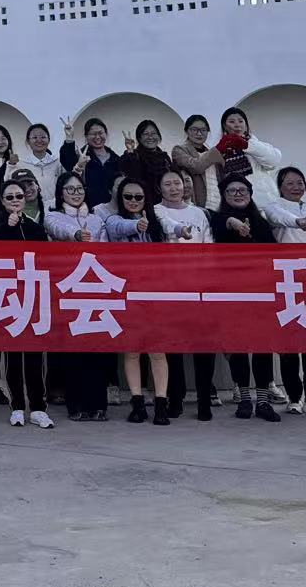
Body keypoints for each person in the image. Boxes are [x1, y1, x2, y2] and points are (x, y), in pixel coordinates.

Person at [208, 177, 283, 423]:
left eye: (242, 190)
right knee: (238, 348)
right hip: (232, 294)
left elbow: (274, 254)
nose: (238, 194)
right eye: (231, 191)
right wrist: (234, 223)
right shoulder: (217, 220)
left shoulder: (261, 222)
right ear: (224, 195)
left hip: (260, 293)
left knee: (263, 348)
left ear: (250, 193)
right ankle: (244, 400)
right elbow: (221, 224)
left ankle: (262, 401)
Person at [0, 180, 53, 429]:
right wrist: (7, 227)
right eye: (10, 197)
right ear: (2, 201)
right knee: (12, 357)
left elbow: (46, 260)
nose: (15, 200)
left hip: (32, 296)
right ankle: (17, 407)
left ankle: (38, 408)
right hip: (7, 296)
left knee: (34, 356)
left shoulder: (35, 228)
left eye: (19, 196)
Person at [45, 172, 114, 420]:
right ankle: (76, 405)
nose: (75, 193)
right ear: (60, 193)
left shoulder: (96, 219)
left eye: (79, 189)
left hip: (94, 288)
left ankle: (98, 404)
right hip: (68, 288)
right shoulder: (53, 215)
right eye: (70, 189)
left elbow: (105, 249)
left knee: (97, 348)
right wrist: (76, 235)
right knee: (72, 350)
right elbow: (58, 229)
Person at [103, 179, 169, 425]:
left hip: (153, 295)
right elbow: (118, 228)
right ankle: (137, 402)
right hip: (126, 294)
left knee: (157, 352)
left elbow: (172, 231)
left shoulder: (157, 224)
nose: (133, 201)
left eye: (138, 197)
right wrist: (136, 225)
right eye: (128, 196)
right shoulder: (113, 220)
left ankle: (161, 403)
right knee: (131, 352)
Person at [156, 168, 217, 421]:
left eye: (177, 183)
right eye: (167, 184)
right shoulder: (157, 210)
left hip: (199, 285)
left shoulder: (199, 213)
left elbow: (209, 245)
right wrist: (180, 230)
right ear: (160, 189)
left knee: (204, 345)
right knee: (173, 346)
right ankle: (176, 398)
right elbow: (166, 226)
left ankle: (204, 400)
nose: (173, 188)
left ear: (185, 186)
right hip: (170, 286)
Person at [268, 167, 306, 418]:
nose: (296, 187)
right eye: (290, 183)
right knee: (289, 344)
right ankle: (294, 397)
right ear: (280, 187)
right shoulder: (273, 208)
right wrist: (297, 222)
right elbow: (280, 218)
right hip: (287, 283)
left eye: (300, 182)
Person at [211, 107, 281, 210]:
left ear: (246, 125)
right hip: (235, 204)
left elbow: (274, 160)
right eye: (232, 122)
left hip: (264, 203)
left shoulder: (255, 143)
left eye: (240, 121)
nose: (237, 125)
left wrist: (247, 145)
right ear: (224, 126)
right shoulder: (220, 148)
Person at [59, 117, 121, 208]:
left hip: (112, 209)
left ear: (106, 134)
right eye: (93, 134)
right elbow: (68, 163)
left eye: (100, 133)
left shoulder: (115, 158)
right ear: (86, 136)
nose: (97, 137)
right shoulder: (81, 156)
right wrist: (69, 138)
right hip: (87, 209)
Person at [170, 114, 221, 209]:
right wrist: (217, 150)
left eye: (203, 130)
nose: (199, 134)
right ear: (186, 131)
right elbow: (196, 167)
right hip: (196, 205)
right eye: (194, 130)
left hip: (217, 204)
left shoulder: (210, 152)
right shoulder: (179, 150)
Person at [123, 120, 173, 198]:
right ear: (139, 138)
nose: (150, 137)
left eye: (153, 133)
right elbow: (131, 175)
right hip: (144, 201)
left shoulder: (165, 157)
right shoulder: (134, 156)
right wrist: (130, 151)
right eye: (146, 134)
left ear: (158, 136)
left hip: (166, 201)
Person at [19, 123, 63, 207]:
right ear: (28, 141)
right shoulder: (22, 164)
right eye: (35, 137)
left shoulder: (57, 162)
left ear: (48, 140)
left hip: (55, 207)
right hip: (32, 208)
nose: (39, 140)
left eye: (43, 137)